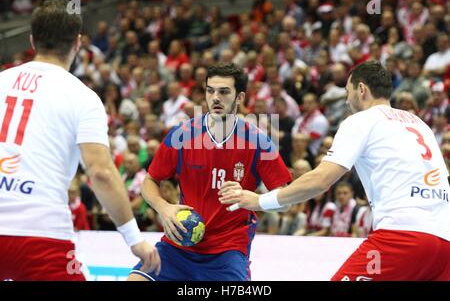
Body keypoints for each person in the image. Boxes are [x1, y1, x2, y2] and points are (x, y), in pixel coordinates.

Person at [219, 61, 450, 280]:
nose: (347, 100)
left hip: (402, 237)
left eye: (348, 92)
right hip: (445, 243)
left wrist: (260, 201)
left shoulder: (361, 120)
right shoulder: (420, 124)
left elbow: (320, 180)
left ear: (361, 89)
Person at [0, 0, 160, 281]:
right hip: (41, 236)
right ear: (77, 42)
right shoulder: (83, 97)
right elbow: (100, 173)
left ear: (32, 40)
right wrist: (134, 238)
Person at [127, 62, 292, 281]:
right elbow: (150, 181)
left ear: (240, 98)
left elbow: (287, 199)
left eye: (224, 92)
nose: (215, 97)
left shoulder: (258, 141)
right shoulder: (183, 134)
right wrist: (163, 208)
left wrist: (255, 200)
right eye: (210, 90)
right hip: (179, 244)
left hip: (227, 251)